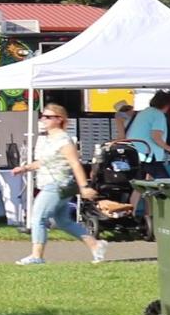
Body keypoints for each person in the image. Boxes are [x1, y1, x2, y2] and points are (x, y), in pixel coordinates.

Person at [7, 103, 104, 265]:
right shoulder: (44, 138)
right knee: (63, 221)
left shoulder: (64, 140)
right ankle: (95, 245)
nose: (43, 119)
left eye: (48, 117)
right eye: (43, 116)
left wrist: (84, 187)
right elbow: (43, 162)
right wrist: (24, 168)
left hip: (59, 184)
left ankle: (36, 256)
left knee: (38, 216)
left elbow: (75, 164)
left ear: (60, 119)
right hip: (47, 184)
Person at [126, 90, 170, 217]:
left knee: (139, 187)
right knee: (167, 186)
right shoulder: (158, 115)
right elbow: (156, 136)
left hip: (138, 154)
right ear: (168, 104)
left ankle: (135, 215)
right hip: (149, 155)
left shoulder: (144, 112)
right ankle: (164, 217)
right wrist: (169, 148)